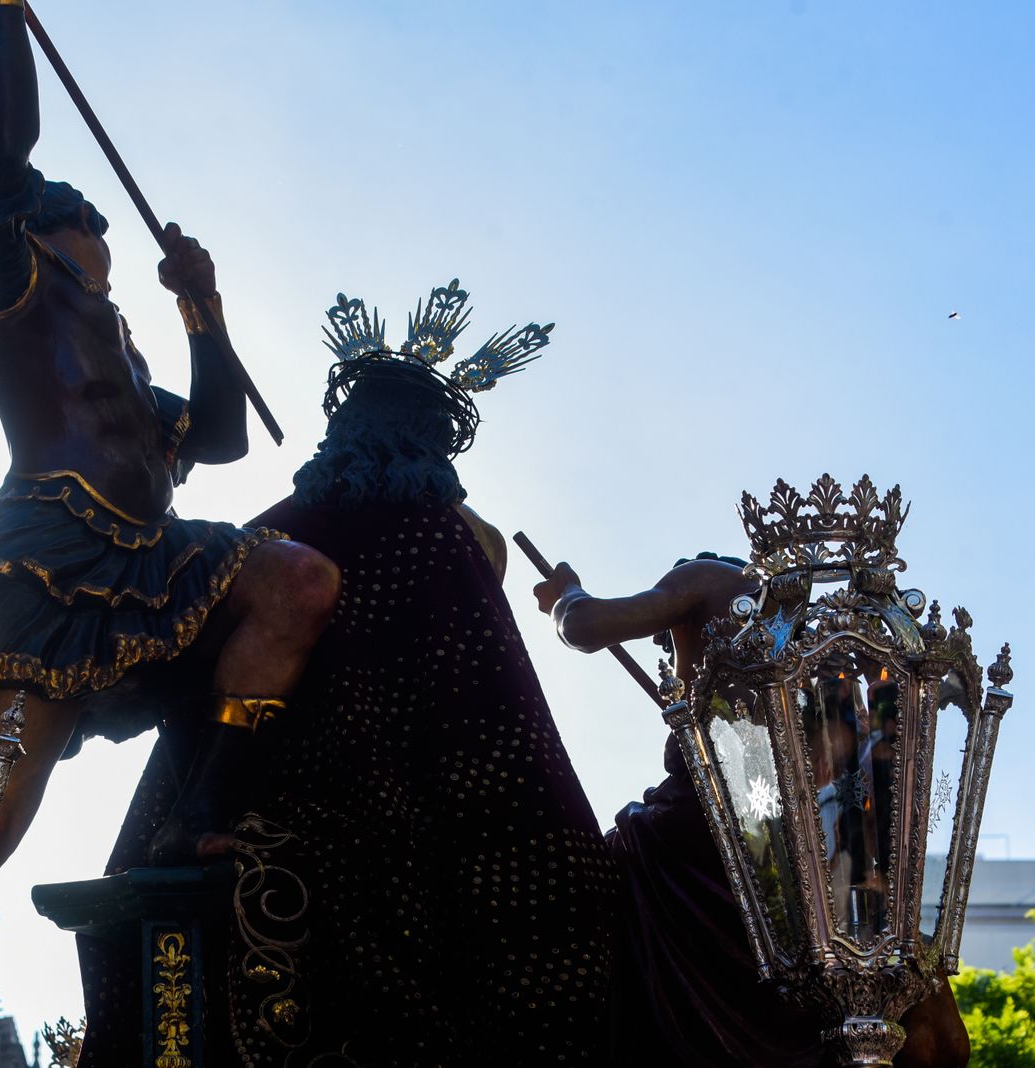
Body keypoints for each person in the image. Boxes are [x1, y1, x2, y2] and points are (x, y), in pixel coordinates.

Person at [0, 3, 341, 1064]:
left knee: (298, 583)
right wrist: (3, 16)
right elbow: (0, 152)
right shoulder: (10, 285)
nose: (99, 251)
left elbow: (224, 438)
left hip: (161, 554)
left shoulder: (133, 365)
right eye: (82, 235)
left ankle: (209, 813)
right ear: (47, 237)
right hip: (51, 558)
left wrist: (204, 308)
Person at [84, 284, 617, 1064]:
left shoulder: (269, 532)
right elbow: (497, 730)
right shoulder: (440, 544)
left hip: (223, 831)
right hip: (390, 865)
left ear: (341, 434)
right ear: (432, 445)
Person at [532, 556, 971, 1067]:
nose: (678, 656)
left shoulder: (705, 581)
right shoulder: (803, 621)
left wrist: (567, 594)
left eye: (674, 642)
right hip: (784, 846)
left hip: (698, 830)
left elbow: (584, 627)